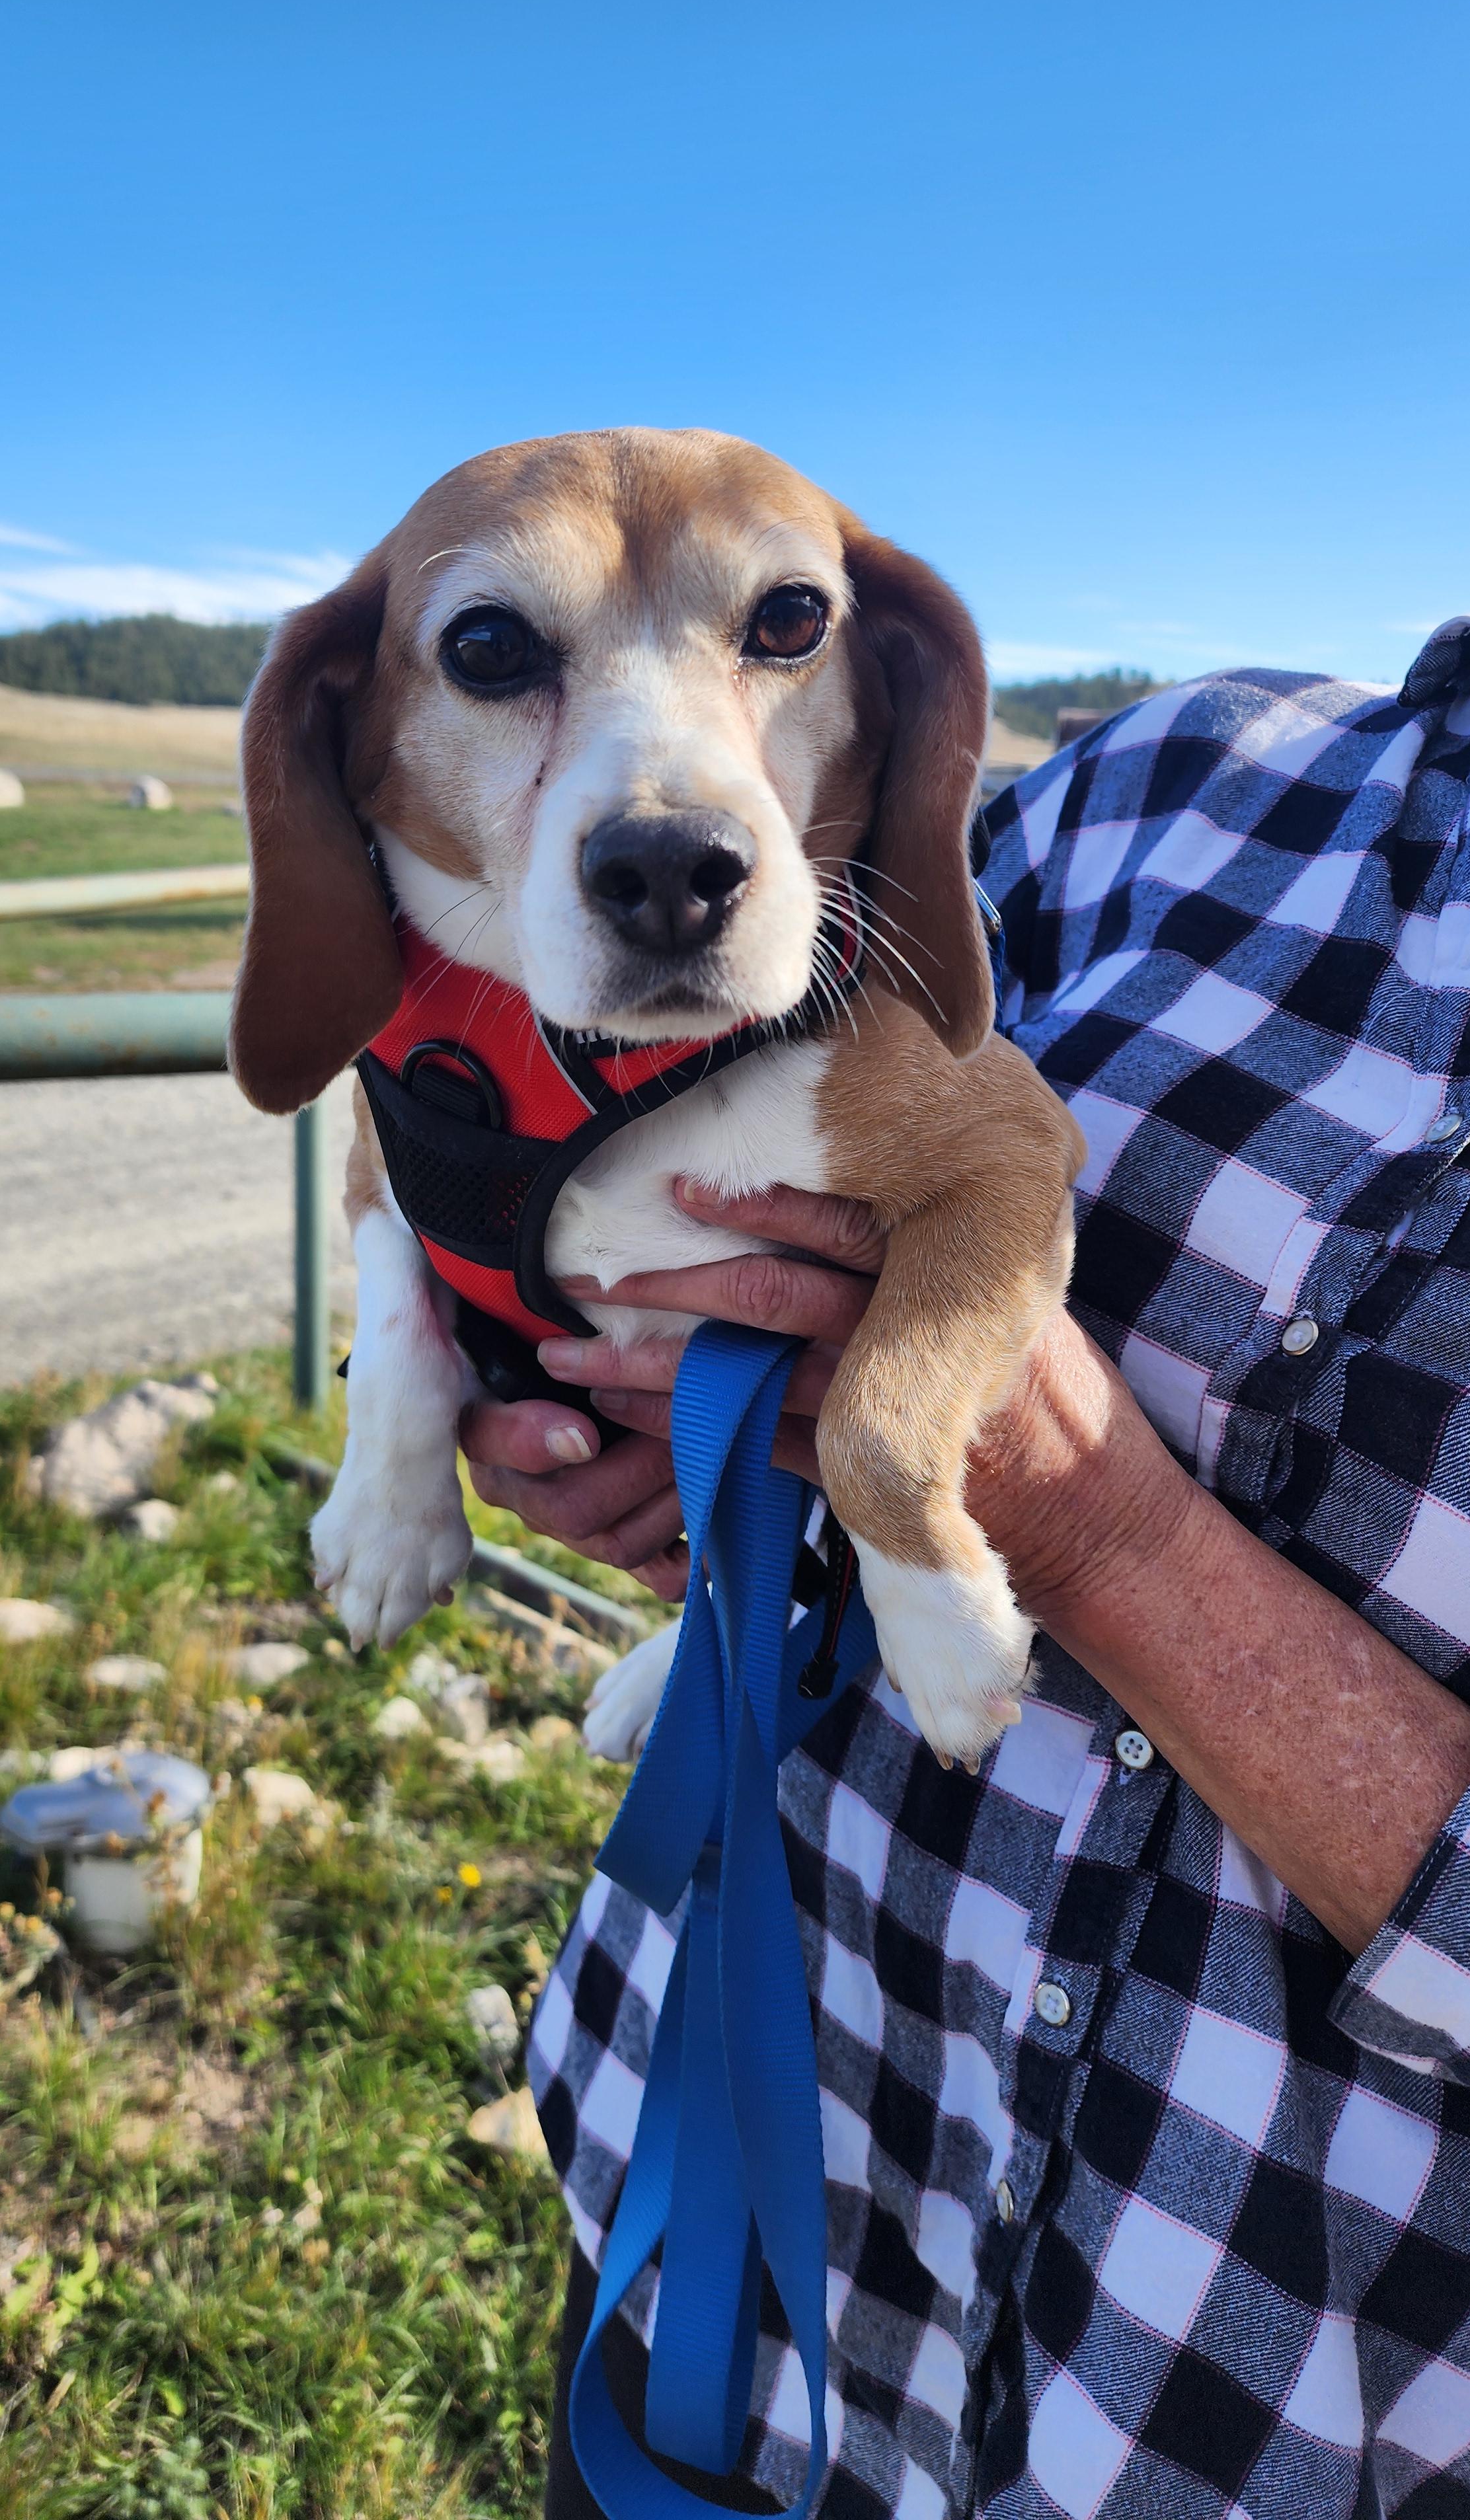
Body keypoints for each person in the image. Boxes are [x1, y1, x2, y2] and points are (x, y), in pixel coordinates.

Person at [469, 621, 1470, 2517]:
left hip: (1232, 2423)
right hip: (728, 2233)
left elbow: (1005, 1428)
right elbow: (701, 1106)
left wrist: (1104, 1532)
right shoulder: (1180, 778)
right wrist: (652, 1432)